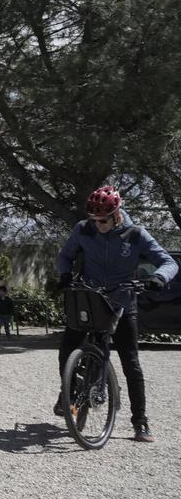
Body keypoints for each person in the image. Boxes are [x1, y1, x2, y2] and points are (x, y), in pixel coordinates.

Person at [55, 185, 178, 443]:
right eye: (94, 219)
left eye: (103, 219)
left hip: (122, 301)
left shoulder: (136, 235)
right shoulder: (83, 230)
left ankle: (141, 422)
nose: (98, 224)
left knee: (130, 362)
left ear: (116, 214)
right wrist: (65, 274)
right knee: (67, 347)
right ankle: (70, 389)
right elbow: (65, 256)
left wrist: (158, 277)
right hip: (90, 298)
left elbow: (169, 262)